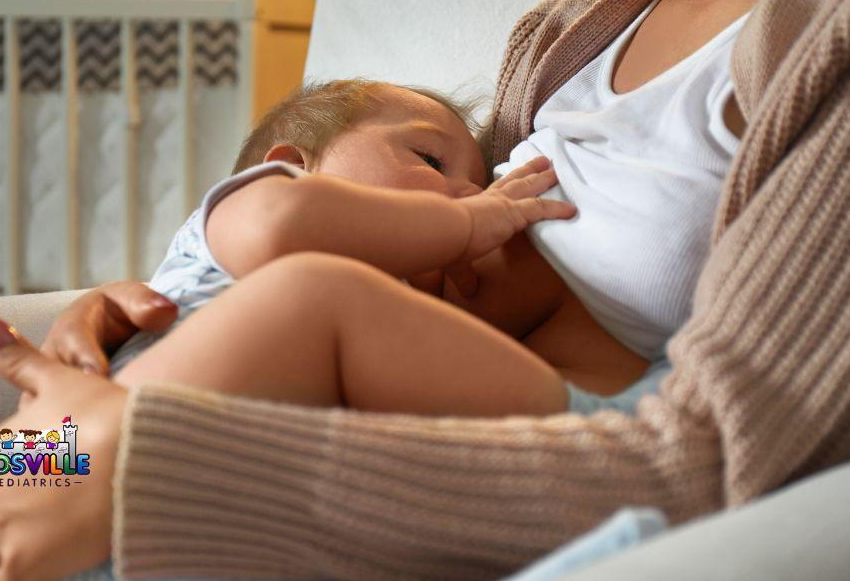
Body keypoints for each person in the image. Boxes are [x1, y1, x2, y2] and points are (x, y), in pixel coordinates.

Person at [0, 0, 850, 581]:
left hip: (456, 486)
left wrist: (160, 463)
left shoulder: (827, 39)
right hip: (316, 437)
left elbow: (715, 465)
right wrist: (120, 332)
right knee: (11, 466)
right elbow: (414, 256)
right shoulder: (571, 26)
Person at [98, 78, 653, 419]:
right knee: (14, 467)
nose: (465, 195)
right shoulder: (245, 212)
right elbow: (279, 226)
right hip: (78, 447)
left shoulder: (376, 324)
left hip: (184, 510)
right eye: (431, 161)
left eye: (478, 190)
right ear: (291, 165)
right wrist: (463, 224)